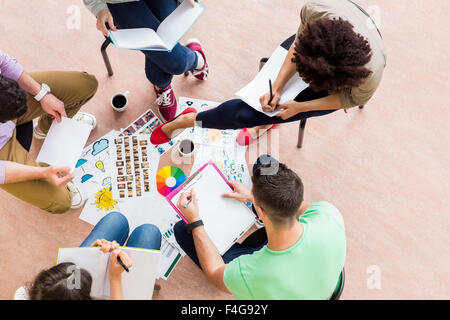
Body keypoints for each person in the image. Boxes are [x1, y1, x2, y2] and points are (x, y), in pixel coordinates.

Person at [149, 0, 386, 145]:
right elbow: (298, 46)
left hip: (344, 70)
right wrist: (280, 84)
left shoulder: (368, 77)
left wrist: (300, 107)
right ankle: (190, 120)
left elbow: (346, 98)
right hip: (325, 36)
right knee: (255, 106)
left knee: (264, 114)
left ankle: (255, 124)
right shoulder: (316, 10)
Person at [173, 155, 346, 299]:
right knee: (264, 163)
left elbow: (214, 272)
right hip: (320, 280)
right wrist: (252, 197)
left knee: (182, 229)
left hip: (277, 277)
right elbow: (298, 207)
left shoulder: (252, 273)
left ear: (260, 212)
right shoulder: (328, 213)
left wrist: (195, 221)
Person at [0, 49, 99, 213]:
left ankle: (45, 129)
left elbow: (3, 61)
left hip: (6, 97)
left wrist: (42, 95)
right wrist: (43, 172)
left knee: (86, 84)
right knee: (61, 202)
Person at [83, 0, 209, 122]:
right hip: (120, 3)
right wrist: (99, 7)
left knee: (165, 45)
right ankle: (196, 59)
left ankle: (162, 84)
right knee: (176, 62)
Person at [14, 211, 162, 300]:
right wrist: (115, 278)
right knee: (150, 232)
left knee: (116, 220)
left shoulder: (25, 294)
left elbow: (70, 281)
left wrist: (92, 253)